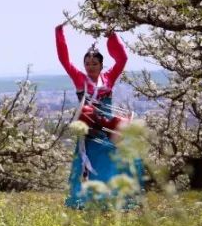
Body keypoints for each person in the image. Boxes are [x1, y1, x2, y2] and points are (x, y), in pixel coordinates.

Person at [56, 24, 142, 208]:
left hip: (109, 127)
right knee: (89, 162)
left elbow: (122, 59)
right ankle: (86, 201)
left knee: (111, 160)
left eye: (95, 64)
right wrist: (59, 33)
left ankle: (113, 200)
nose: (91, 67)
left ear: (102, 65)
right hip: (90, 129)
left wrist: (112, 37)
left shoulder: (109, 78)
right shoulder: (79, 78)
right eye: (87, 64)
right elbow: (64, 60)